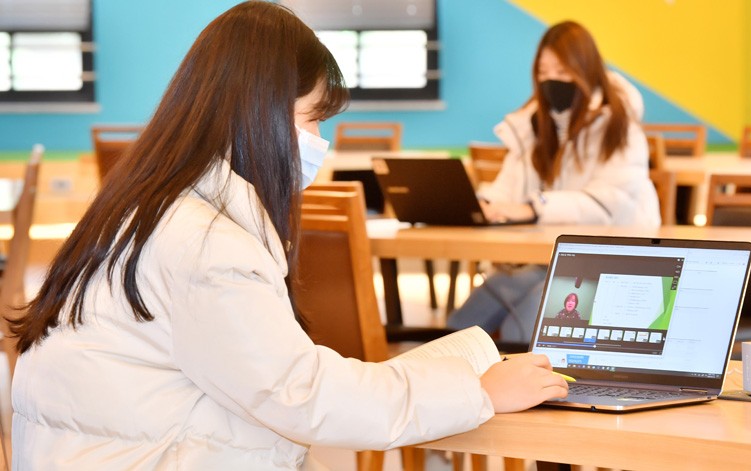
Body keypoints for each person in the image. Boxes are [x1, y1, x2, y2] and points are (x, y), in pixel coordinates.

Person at [7, 2, 568, 469]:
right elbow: (303, 396)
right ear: (259, 113)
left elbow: (281, 382)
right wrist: (477, 393)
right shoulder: (205, 244)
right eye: (312, 119)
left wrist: (461, 379)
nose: (320, 140)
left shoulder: (152, 204)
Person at [448, 20, 660, 344]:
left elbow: (608, 206)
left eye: (562, 71)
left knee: (522, 330)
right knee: (462, 323)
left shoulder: (619, 128)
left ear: (586, 70)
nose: (551, 81)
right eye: (543, 72)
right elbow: (509, 185)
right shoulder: (535, 125)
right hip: (546, 259)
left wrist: (535, 208)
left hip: (609, 265)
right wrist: (485, 204)